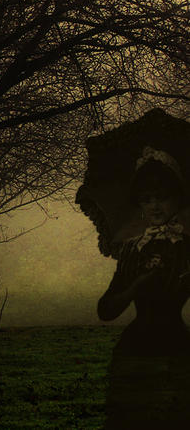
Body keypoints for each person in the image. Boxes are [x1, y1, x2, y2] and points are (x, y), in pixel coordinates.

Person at [97, 147, 190, 428]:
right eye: (146, 199)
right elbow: (106, 310)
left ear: (177, 198)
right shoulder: (131, 251)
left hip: (176, 350)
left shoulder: (187, 248)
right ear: (138, 204)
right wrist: (138, 284)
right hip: (133, 351)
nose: (154, 206)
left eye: (161, 197)